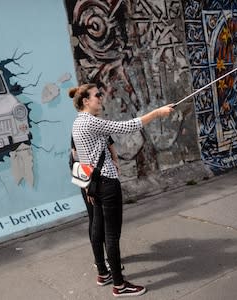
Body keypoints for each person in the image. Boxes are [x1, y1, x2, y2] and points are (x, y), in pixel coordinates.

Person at [69, 83, 174, 297]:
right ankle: (119, 285)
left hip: (94, 183)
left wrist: (89, 187)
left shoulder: (78, 123)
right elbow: (127, 127)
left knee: (98, 227)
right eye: (96, 95)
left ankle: (104, 273)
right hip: (106, 183)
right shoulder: (91, 122)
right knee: (111, 234)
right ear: (85, 101)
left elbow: (83, 156)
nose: (101, 97)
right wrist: (157, 112)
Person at [70, 135, 124, 286]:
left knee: (101, 224)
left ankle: (107, 263)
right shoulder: (82, 126)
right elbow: (76, 156)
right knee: (97, 222)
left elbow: (110, 143)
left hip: (97, 180)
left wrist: (115, 161)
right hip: (90, 181)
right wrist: (88, 186)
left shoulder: (97, 124)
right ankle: (101, 263)